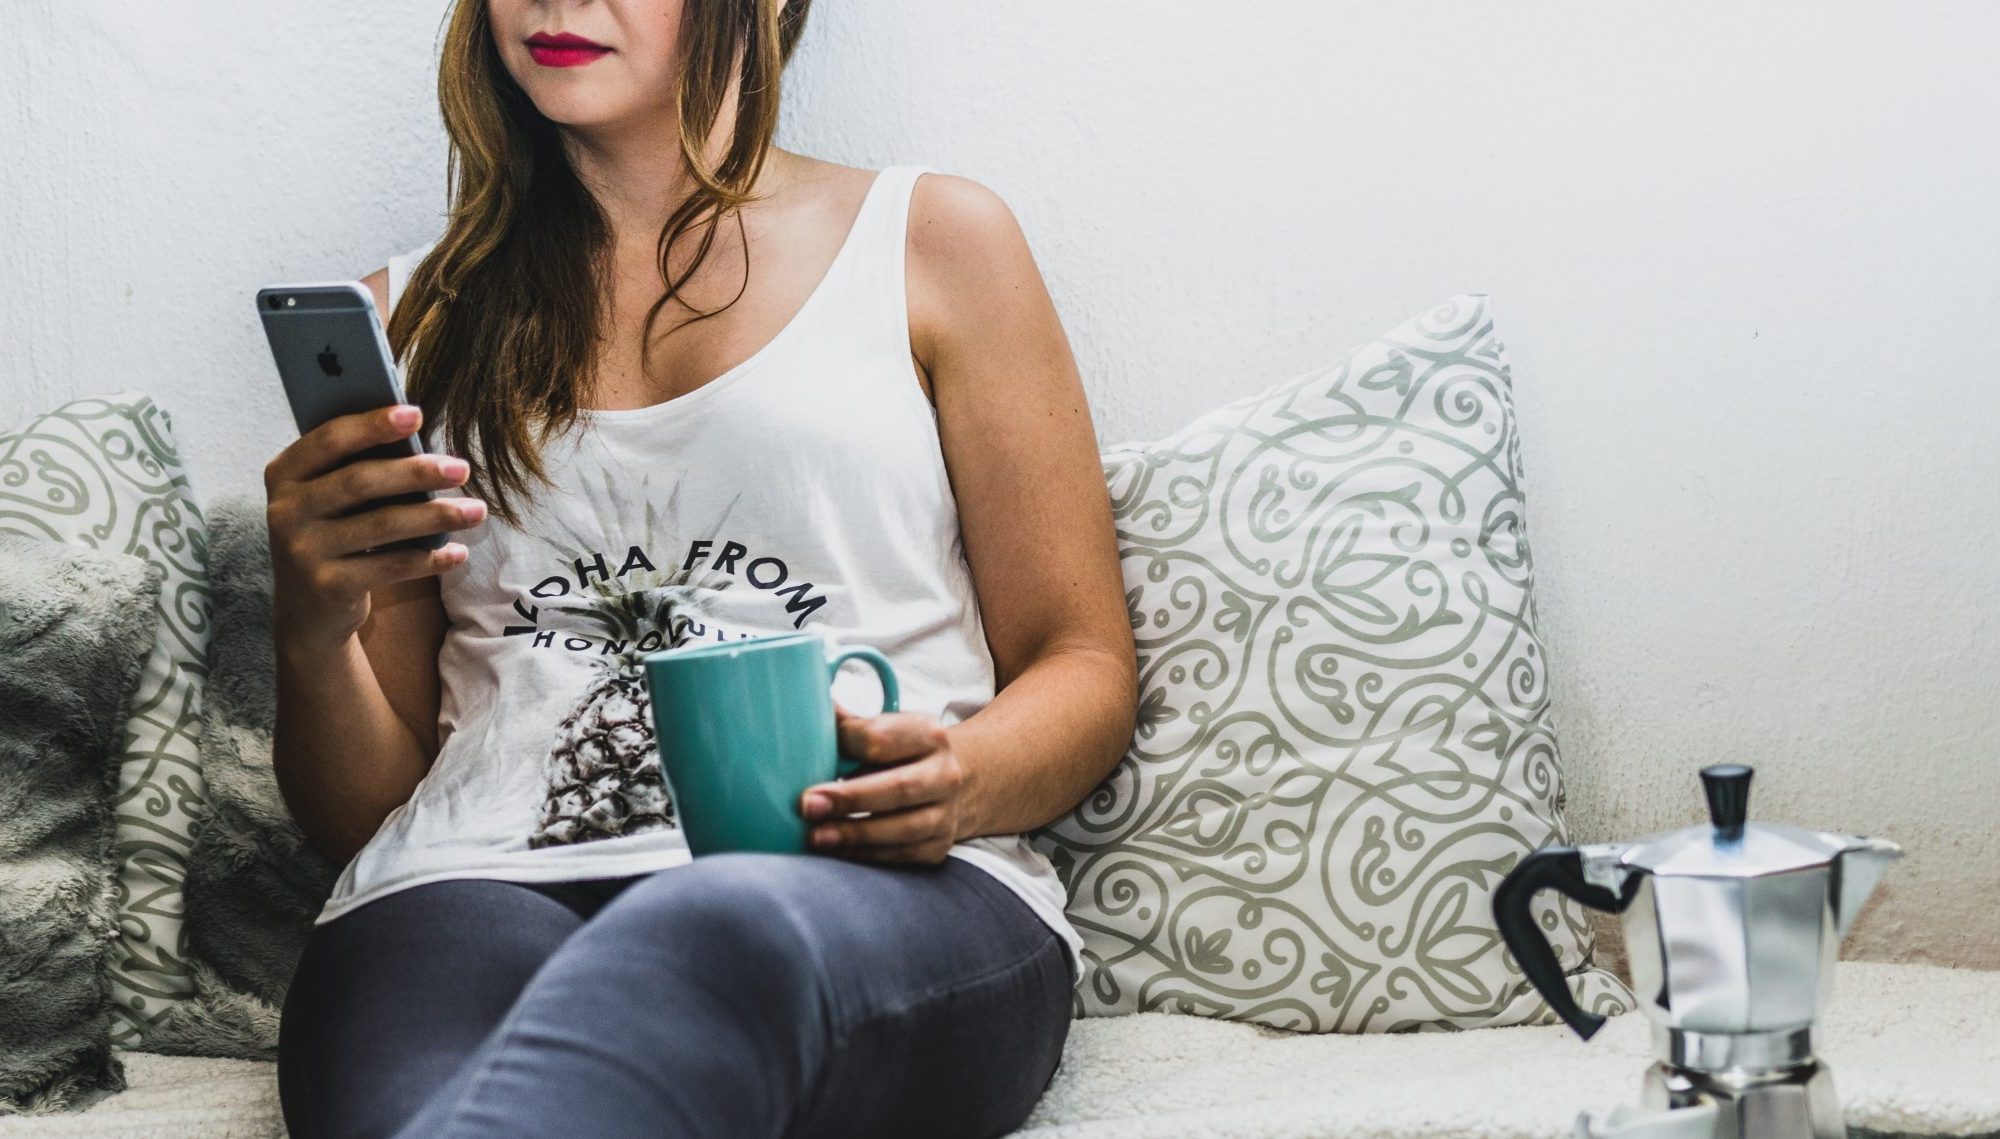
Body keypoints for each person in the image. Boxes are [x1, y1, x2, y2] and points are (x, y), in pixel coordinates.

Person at [263, 2, 1138, 1137]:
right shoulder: (413, 318)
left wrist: (958, 780)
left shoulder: (932, 241)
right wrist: (312, 623)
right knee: (407, 1048)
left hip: (857, 879)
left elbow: (1081, 660)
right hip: (465, 879)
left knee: (719, 929)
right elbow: (365, 812)